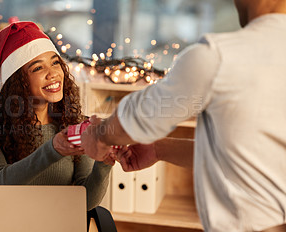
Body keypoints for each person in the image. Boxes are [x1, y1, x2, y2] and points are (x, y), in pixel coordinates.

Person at [81, 0, 286, 231]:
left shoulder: (220, 57)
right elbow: (249, 154)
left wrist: (98, 135)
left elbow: (137, 118)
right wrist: (159, 149)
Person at [0, 21, 114, 211]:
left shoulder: (74, 124)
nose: (53, 74)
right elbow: (0, 183)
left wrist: (103, 164)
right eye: (38, 68)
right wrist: (53, 150)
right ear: (17, 81)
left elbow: (85, 203)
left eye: (55, 62)